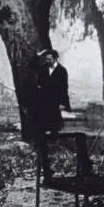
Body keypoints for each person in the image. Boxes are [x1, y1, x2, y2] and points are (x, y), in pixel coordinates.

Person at [32, 48, 72, 180]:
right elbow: (31, 66)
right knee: (42, 125)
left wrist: (63, 103)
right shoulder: (43, 69)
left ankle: (54, 138)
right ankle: (43, 143)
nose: (47, 61)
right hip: (43, 101)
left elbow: (64, 87)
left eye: (49, 59)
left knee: (55, 123)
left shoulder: (62, 71)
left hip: (55, 101)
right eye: (46, 59)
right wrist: (38, 55)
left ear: (55, 59)